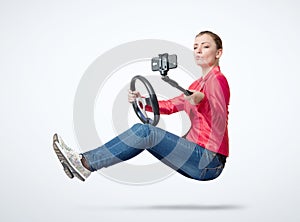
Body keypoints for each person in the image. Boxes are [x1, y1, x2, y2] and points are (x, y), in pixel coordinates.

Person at [52, 31, 230, 182]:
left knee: (145, 132)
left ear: (218, 53)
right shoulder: (197, 85)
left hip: (209, 161)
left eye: (205, 46)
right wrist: (142, 101)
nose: (198, 51)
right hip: (197, 158)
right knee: (144, 135)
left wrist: (202, 99)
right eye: (195, 46)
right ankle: (85, 163)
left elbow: (219, 114)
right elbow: (169, 106)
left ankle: (84, 163)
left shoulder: (217, 80)